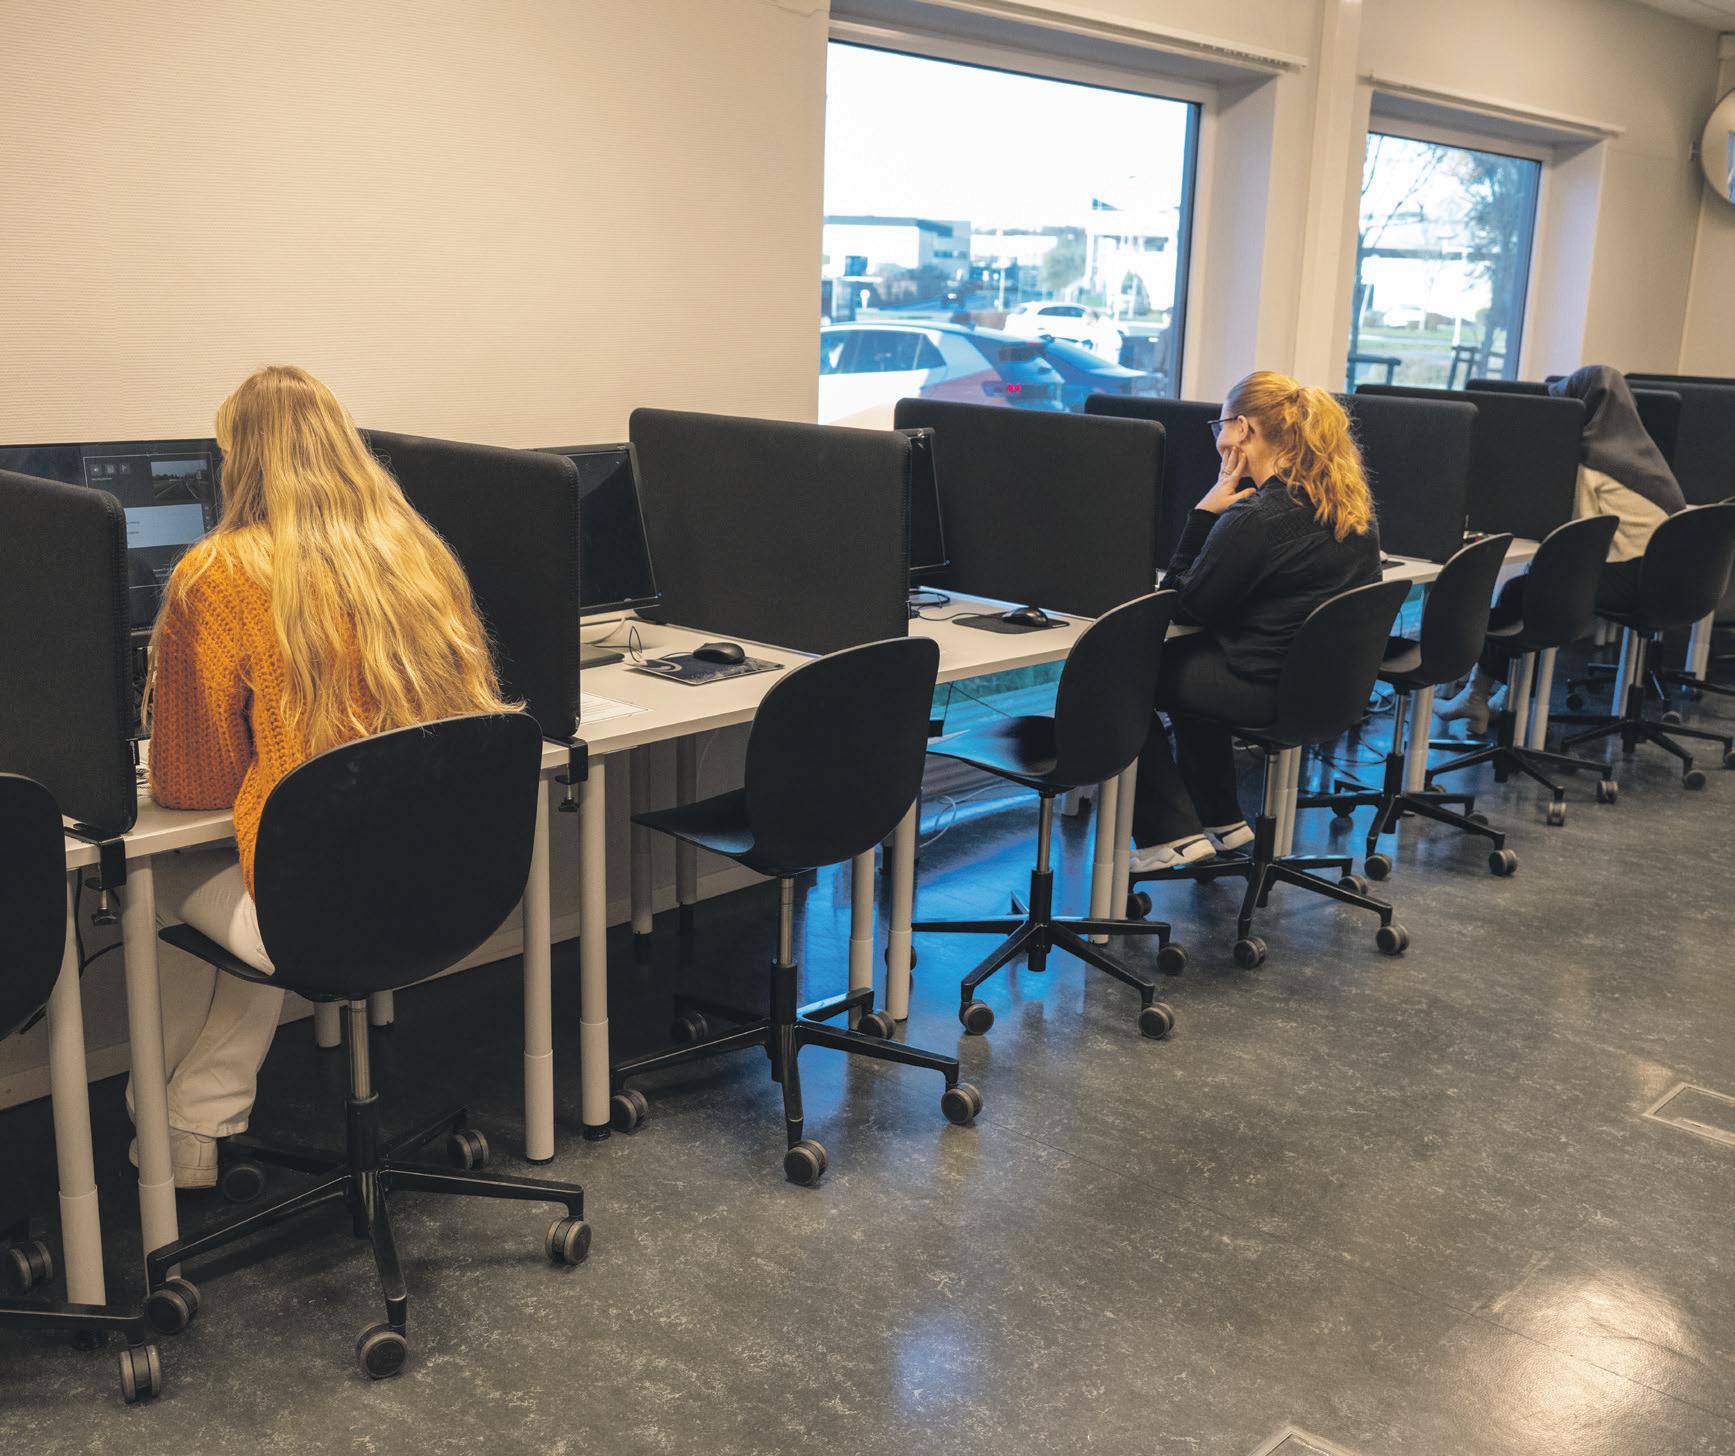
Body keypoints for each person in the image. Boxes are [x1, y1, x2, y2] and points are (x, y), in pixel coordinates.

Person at [134, 365, 517, 1188]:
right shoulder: (416, 554)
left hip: (322, 909)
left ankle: (169, 1131)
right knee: (264, 872)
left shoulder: (218, 572)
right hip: (449, 890)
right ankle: (196, 1116)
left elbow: (191, 788)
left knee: (151, 879)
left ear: (239, 460)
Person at [1130, 372, 1382, 871]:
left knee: (1123, 674)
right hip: (1328, 691)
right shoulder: (1349, 507)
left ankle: (1170, 835)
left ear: (1243, 429)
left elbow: (1181, 605)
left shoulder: (1256, 518)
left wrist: (1203, 513)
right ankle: (1221, 820)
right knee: (1188, 662)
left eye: (1220, 425)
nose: (1219, 437)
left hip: (1265, 690)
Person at [1435, 364, 1686, 733]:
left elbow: (1577, 539)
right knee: (1533, 587)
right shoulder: (1642, 454)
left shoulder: (1592, 461)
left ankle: (1478, 695)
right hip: (1667, 576)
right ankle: (1498, 692)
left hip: (1632, 578)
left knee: (1525, 591)